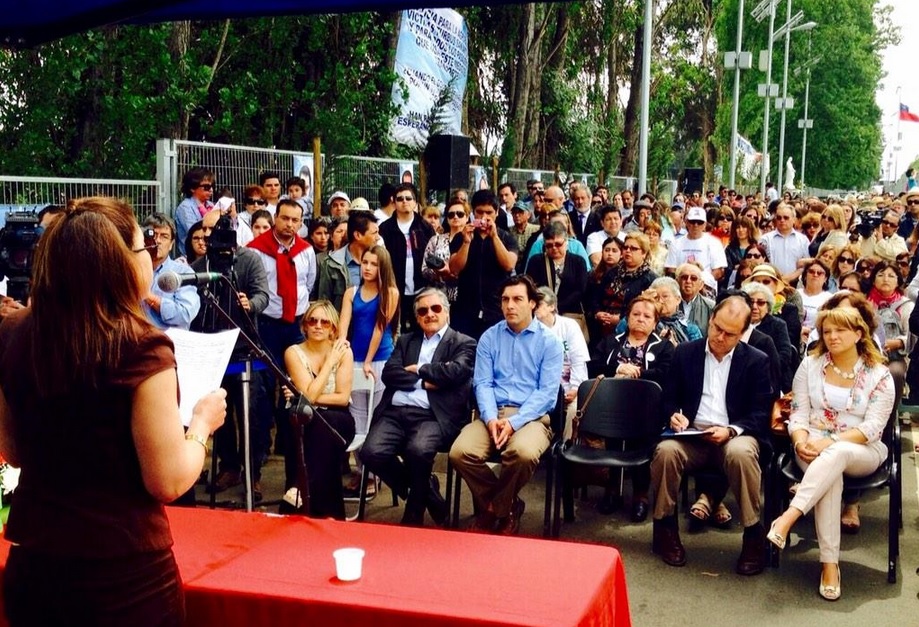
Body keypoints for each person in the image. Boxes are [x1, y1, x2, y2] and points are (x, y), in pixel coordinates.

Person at [0, 196, 226, 625]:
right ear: (119, 261)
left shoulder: (12, 331)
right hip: (123, 578)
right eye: (145, 248)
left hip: (37, 567)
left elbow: (13, 449)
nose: (152, 258)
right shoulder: (141, 345)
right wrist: (201, 423)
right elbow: (167, 479)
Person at [767, 308, 894, 601]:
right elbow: (797, 414)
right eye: (827, 331)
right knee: (830, 475)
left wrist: (831, 441)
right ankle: (829, 567)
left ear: (859, 334)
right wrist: (799, 442)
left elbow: (874, 427)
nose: (832, 336)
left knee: (835, 454)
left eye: (840, 331)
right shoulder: (810, 365)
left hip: (862, 449)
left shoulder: (880, 374)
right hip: (811, 446)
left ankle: (788, 517)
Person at [650, 296, 773, 576]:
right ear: (710, 320)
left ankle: (753, 535)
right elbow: (668, 398)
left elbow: (760, 412)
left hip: (734, 434)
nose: (719, 337)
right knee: (666, 452)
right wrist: (673, 415)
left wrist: (731, 430)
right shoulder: (685, 353)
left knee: (741, 453)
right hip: (693, 435)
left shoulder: (756, 361)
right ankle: (665, 527)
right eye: (716, 328)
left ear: (742, 334)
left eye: (729, 334)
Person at [449, 275, 563, 535]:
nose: (510, 305)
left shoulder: (549, 342)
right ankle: (507, 505)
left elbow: (546, 394)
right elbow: (482, 384)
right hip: (493, 413)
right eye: (505, 300)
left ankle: (492, 511)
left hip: (531, 417)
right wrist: (490, 419)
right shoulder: (489, 337)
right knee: (460, 452)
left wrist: (513, 423)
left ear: (533, 303)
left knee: (521, 454)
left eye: (517, 299)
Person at [359, 288, 476, 527]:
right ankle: (428, 493)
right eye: (423, 310)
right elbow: (390, 374)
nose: (429, 314)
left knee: (418, 451)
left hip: (433, 416)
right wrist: (426, 382)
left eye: (436, 308)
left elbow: (455, 372)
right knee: (370, 452)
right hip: (395, 413)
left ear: (447, 311)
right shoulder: (405, 340)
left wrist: (419, 369)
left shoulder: (464, 342)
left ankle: (413, 513)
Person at [191, 211, 271, 500]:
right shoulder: (200, 265)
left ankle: (254, 471)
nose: (213, 234)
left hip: (245, 347)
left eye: (218, 228)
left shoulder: (249, 260)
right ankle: (229, 466)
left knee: (251, 413)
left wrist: (250, 304)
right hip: (212, 350)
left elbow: (264, 295)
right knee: (217, 412)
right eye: (208, 229)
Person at [591, 293, 674, 520]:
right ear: (627, 317)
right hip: (610, 410)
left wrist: (637, 372)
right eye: (635, 314)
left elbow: (666, 374)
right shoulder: (610, 342)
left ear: (655, 322)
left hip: (647, 411)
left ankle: (640, 495)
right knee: (613, 435)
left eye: (647, 316)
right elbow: (594, 367)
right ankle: (611, 490)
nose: (640, 319)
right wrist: (617, 370)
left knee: (643, 438)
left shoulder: (664, 347)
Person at [283, 301, 357, 519]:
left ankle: (300, 489)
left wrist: (304, 395)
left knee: (323, 424)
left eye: (325, 322)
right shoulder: (293, 353)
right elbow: (310, 397)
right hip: (307, 419)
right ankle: (329, 513)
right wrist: (329, 363)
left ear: (333, 328)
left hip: (340, 419)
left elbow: (342, 398)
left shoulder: (343, 352)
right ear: (304, 326)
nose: (318, 326)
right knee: (317, 429)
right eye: (312, 321)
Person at [338, 245, 400, 496]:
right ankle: (360, 471)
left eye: (374, 264)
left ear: (382, 267)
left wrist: (368, 361)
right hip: (354, 360)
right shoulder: (351, 292)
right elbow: (343, 324)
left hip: (379, 361)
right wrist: (341, 349)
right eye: (365, 262)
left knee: (375, 418)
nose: (368, 268)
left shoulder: (390, 292)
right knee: (356, 418)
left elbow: (379, 327)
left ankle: (374, 474)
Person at [449, 189, 519, 339]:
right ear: (473, 212)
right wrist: (466, 243)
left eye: (489, 213)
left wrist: (494, 237)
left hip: (496, 310)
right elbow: (454, 268)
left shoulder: (506, 237)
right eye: (479, 212)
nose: (484, 217)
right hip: (466, 310)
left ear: (497, 213)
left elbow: (509, 265)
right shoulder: (461, 237)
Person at [534, 287, 589, 440]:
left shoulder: (569, 326)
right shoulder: (531, 329)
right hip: (542, 389)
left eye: (539, 303)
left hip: (569, 388)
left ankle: (566, 449)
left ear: (552, 306)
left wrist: (576, 387)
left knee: (575, 410)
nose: (534, 307)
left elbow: (578, 360)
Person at [379, 183, 434, 334]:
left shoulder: (425, 227)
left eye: (409, 198)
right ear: (394, 202)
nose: (404, 201)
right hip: (394, 288)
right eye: (400, 198)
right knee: (395, 330)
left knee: (420, 330)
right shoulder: (385, 228)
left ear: (415, 202)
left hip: (421, 288)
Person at [142, 214, 201, 330]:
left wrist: (149, 297)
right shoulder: (133, 270)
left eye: (164, 236)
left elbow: (185, 314)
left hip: (168, 343)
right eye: (153, 235)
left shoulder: (183, 272)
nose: (157, 241)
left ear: (171, 244)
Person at [315, 211, 379, 312]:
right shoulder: (331, 264)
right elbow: (324, 305)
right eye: (374, 233)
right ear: (358, 235)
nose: (378, 237)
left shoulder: (380, 261)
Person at [524, 221, 588, 317]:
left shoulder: (578, 261)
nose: (554, 248)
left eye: (558, 244)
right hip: (542, 313)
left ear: (566, 242)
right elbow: (531, 287)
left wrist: (558, 307)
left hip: (570, 314)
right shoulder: (536, 261)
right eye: (549, 245)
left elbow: (580, 290)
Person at [421, 196, 467, 303]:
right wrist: (438, 273)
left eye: (460, 214)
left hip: (466, 298)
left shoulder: (473, 240)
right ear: (447, 219)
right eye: (451, 215)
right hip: (439, 296)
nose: (455, 217)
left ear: (467, 217)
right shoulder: (435, 240)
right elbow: (424, 269)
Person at [664, 206, 727, 281]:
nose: (696, 225)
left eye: (700, 222)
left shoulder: (715, 243)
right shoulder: (676, 243)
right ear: (686, 222)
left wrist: (700, 283)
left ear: (705, 224)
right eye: (692, 221)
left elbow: (719, 271)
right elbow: (671, 269)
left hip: (706, 287)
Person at [174, 167, 215, 255]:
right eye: (206, 187)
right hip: (191, 259)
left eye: (212, 186)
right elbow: (195, 233)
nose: (211, 190)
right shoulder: (185, 208)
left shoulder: (211, 205)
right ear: (192, 188)